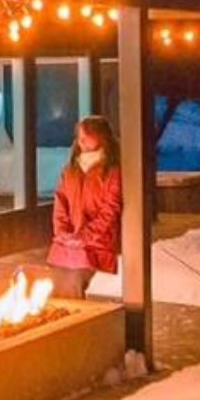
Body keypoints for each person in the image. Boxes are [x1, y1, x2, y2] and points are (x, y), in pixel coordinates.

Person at [48, 114, 123, 299]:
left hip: (97, 243)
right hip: (68, 241)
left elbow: (110, 210)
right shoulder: (71, 170)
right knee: (55, 280)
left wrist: (85, 237)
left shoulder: (112, 172)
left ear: (101, 137)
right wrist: (63, 233)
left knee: (75, 279)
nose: (80, 140)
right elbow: (60, 202)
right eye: (79, 136)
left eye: (86, 135)